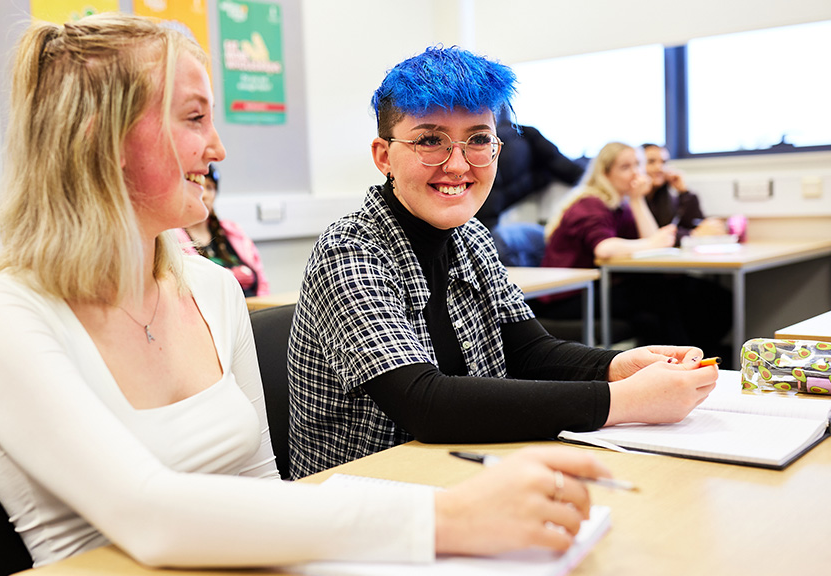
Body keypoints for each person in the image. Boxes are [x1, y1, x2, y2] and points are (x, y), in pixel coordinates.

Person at [0, 15, 617, 569]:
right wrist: (450, 517)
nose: (218, 146)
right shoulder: (0, 316)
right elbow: (150, 515)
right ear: (97, 136)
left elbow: (266, 490)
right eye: (192, 118)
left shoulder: (211, 292)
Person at [288, 47, 719, 480]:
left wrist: (616, 367)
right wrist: (623, 402)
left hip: (458, 471)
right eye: (430, 140)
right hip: (362, 495)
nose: (457, 165)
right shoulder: (350, 249)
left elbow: (529, 351)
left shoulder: (472, 236)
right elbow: (424, 403)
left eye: (478, 139)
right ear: (384, 157)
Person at [536, 142, 731, 355]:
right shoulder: (590, 203)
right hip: (567, 296)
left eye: (637, 165)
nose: (635, 173)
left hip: (597, 288)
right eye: (625, 167)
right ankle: (687, 361)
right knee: (656, 293)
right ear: (605, 173)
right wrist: (651, 242)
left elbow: (652, 240)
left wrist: (637, 200)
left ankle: (693, 359)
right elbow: (604, 248)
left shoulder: (621, 205)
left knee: (662, 305)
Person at [475, 109, 584, 267]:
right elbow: (568, 169)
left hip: (480, 217)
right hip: (488, 220)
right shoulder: (528, 135)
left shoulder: (492, 140)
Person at [174, 164, 270, 296]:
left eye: (210, 188)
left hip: (253, 308)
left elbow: (262, 282)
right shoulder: (174, 236)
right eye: (199, 187)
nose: (205, 195)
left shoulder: (233, 231)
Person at [641, 143, 725, 246]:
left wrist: (684, 191)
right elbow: (654, 236)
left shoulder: (664, 199)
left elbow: (692, 224)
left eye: (663, 162)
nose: (659, 168)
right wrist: (693, 235)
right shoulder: (634, 200)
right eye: (651, 162)